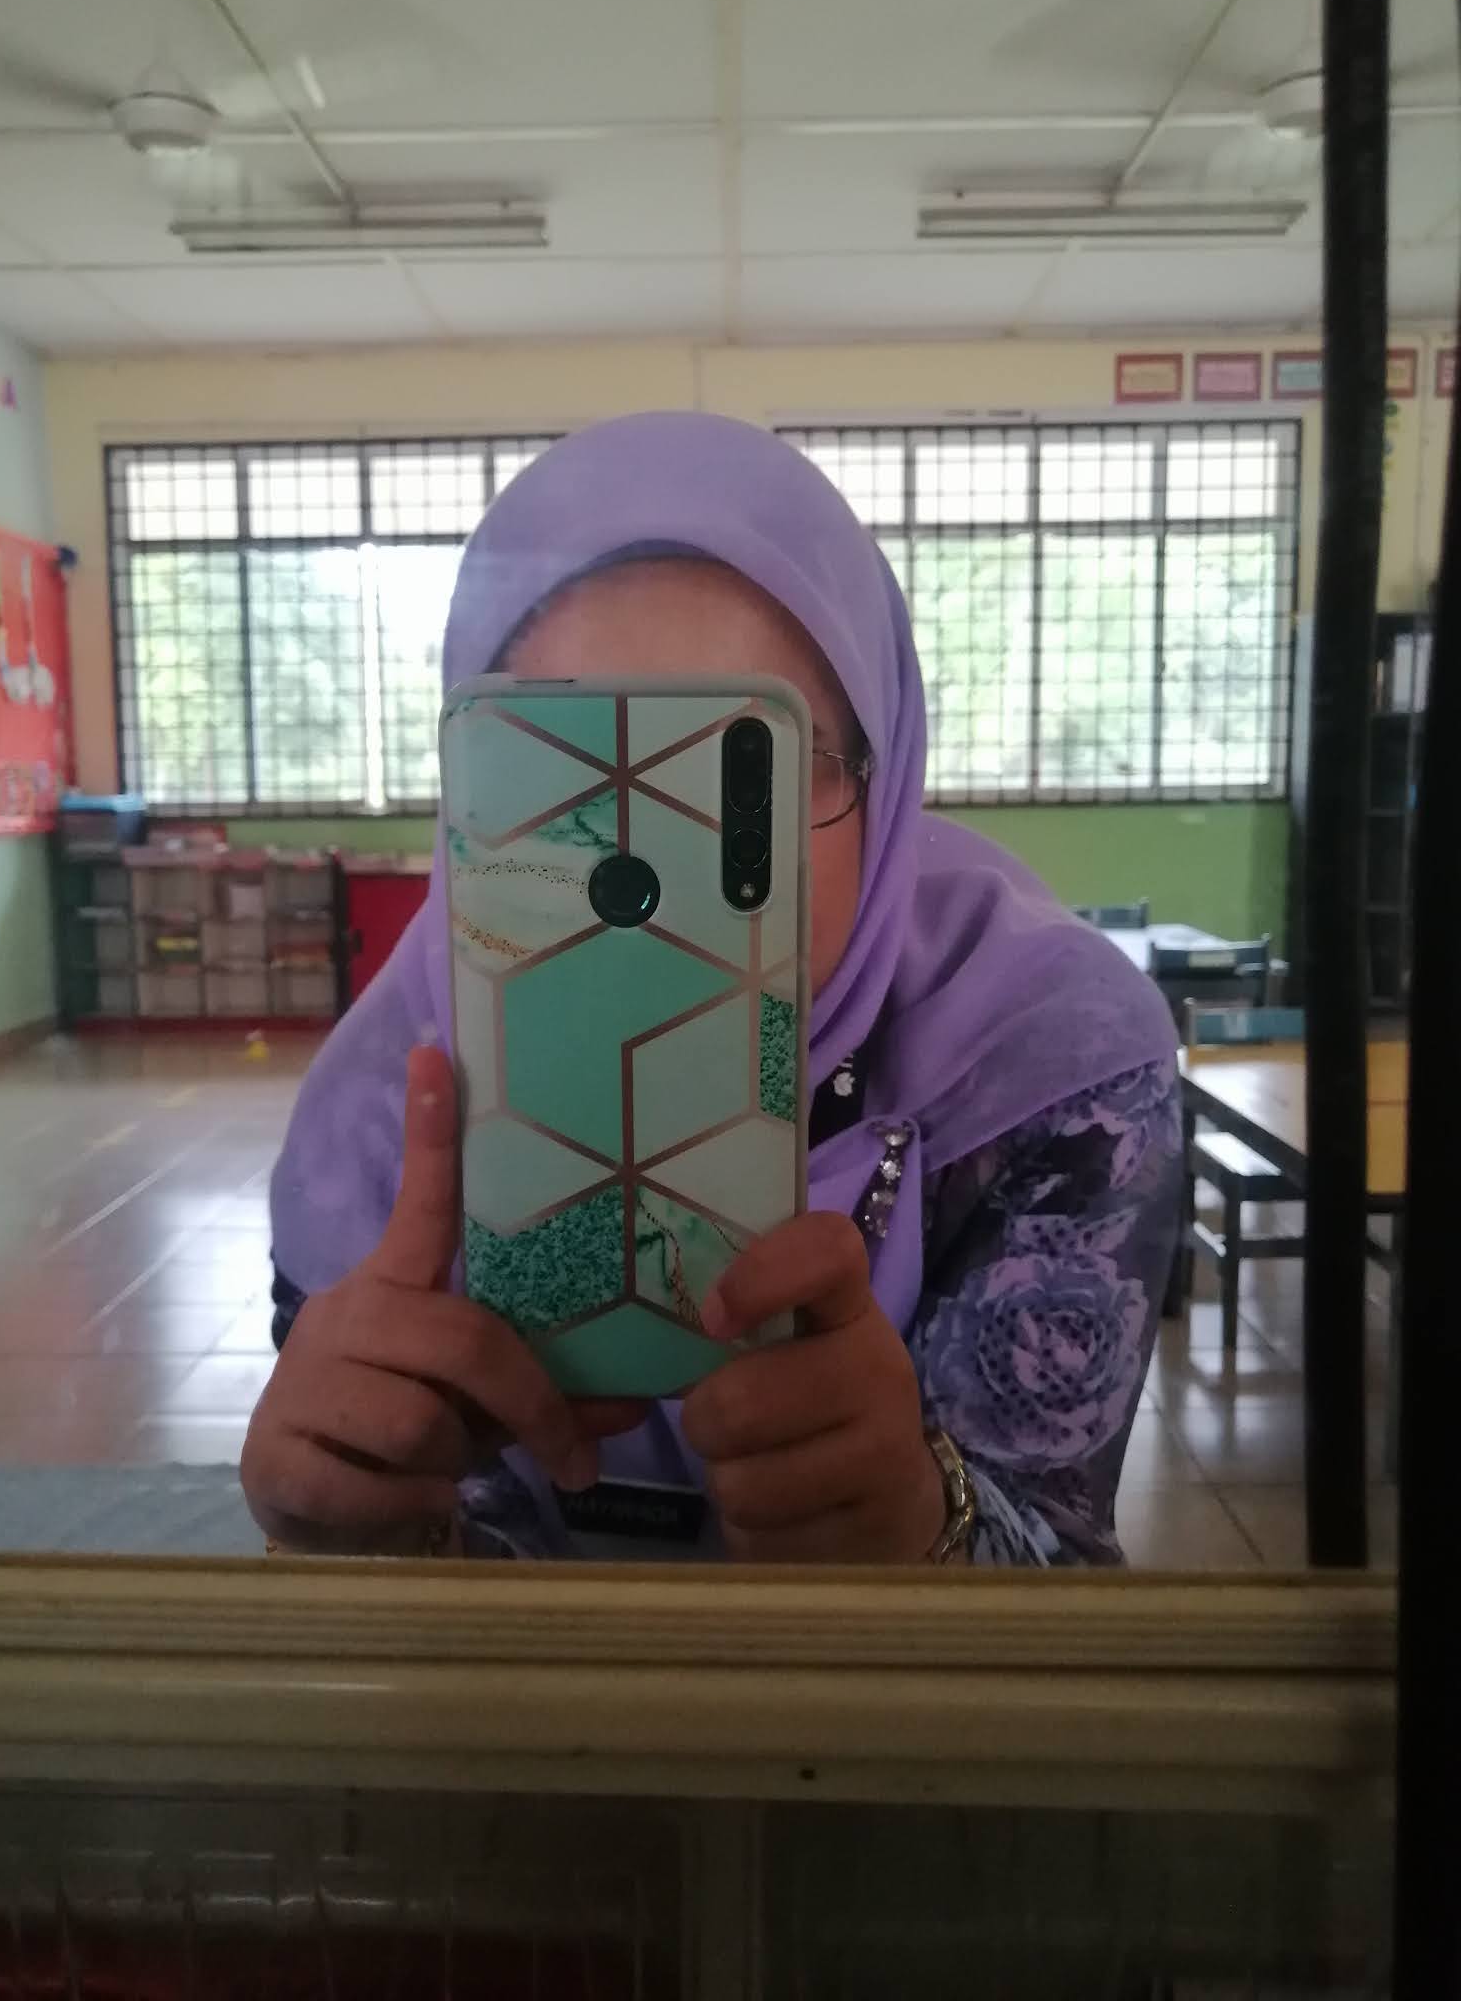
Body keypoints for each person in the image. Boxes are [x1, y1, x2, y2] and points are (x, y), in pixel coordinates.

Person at [244, 412, 1181, 1567]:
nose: (644, 860)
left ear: (883, 779)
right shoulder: (389, 1101)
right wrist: (360, 1526)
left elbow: (1059, 1572)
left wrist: (927, 1524)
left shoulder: (1048, 1060)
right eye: (565, 768)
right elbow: (407, 1564)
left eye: (740, 764)